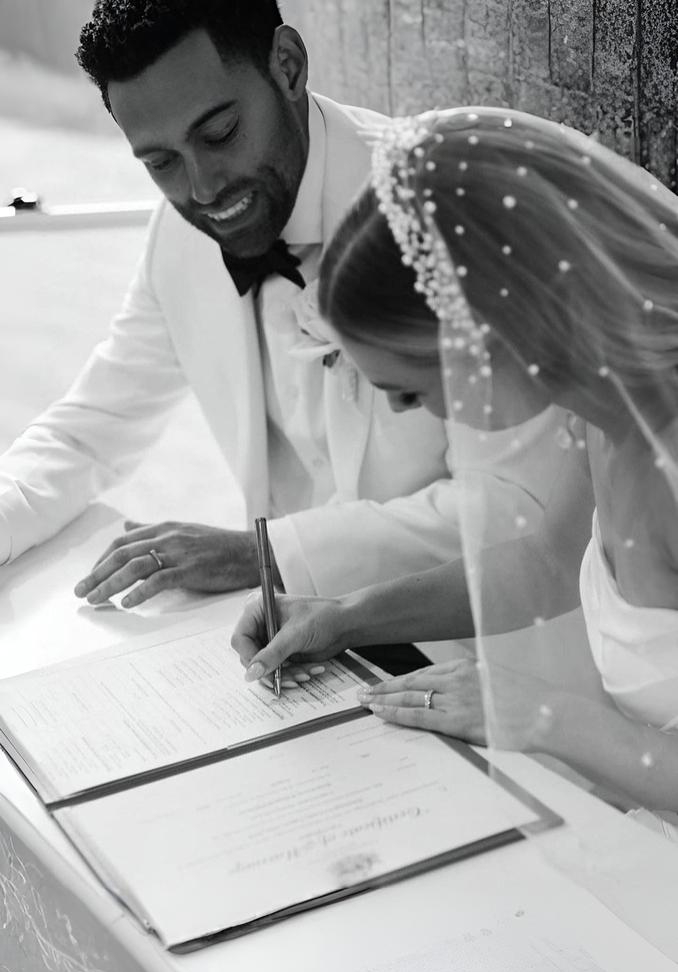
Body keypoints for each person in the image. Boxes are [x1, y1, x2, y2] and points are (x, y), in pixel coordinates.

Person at [0, 0, 567, 620]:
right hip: (288, 642)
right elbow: (91, 427)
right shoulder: (180, 237)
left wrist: (267, 554)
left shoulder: (443, 214)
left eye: (220, 134)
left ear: (289, 66)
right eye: (161, 163)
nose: (202, 188)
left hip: (470, 641)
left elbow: (517, 506)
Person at [233, 108, 678, 825]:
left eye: (410, 390)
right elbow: (545, 563)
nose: (409, 412)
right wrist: (346, 617)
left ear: (487, 330)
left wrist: (539, 714)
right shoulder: (597, 406)